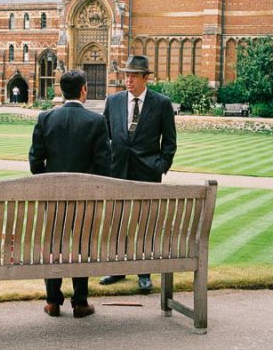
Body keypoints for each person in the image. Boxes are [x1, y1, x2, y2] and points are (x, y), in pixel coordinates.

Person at [28, 69, 111, 318]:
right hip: (85, 199)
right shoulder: (95, 122)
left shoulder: (45, 118)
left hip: (53, 198)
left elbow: (35, 162)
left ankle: (53, 301)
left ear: (61, 90)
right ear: (84, 89)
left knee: (54, 245)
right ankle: (80, 301)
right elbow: (105, 166)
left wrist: (52, 182)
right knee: (81, 246)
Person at [99, 55, 177, 293]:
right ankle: (118, 267)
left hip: (147, 171)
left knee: (146, 222)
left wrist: (160, 165)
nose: (128, 79)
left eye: (133, 75)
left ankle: (144, 272)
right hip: (118, 169)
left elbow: (170, 142)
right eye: (126, 75)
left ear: (145, 78)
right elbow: (104, 135)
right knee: (117, 220)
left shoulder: (161, 103)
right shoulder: (113, 101)